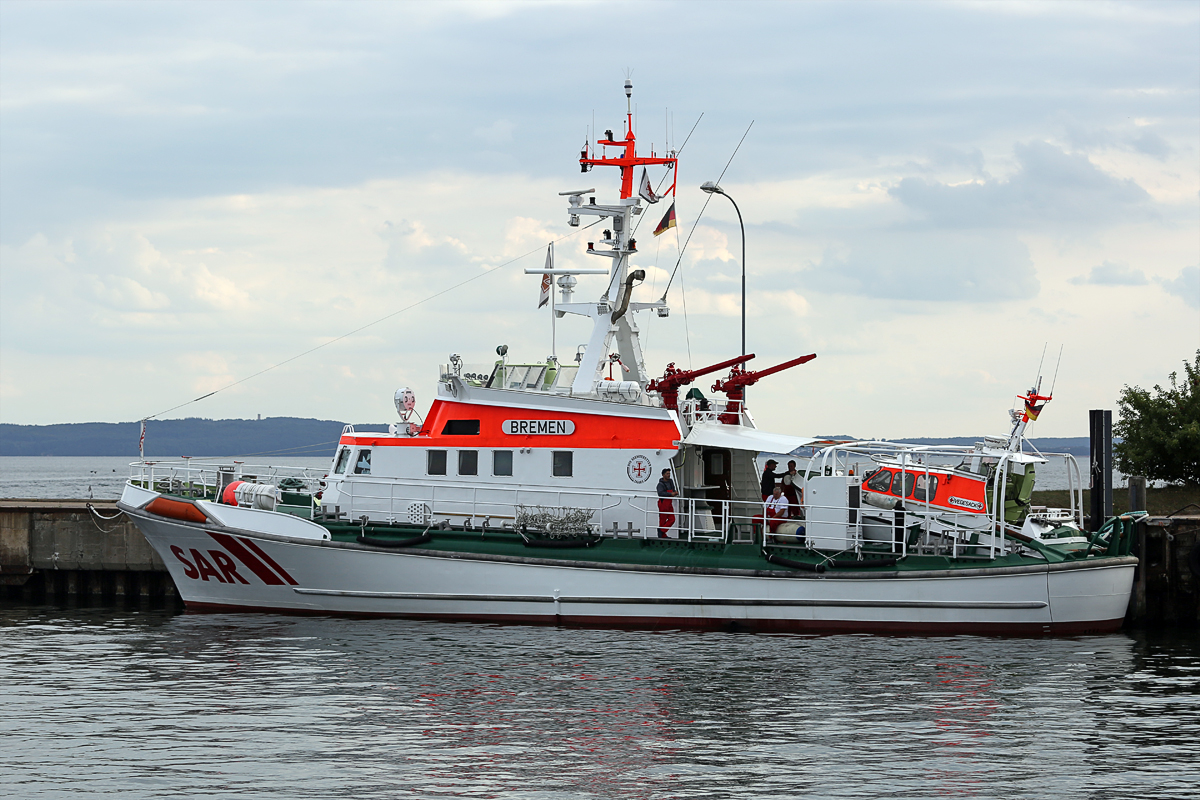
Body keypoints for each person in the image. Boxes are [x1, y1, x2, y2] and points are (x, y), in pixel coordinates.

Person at [656, 468, 678, 538]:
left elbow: (673, 489)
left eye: (669, 473)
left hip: (669, 503)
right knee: (662, 520)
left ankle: (661, 531)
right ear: (663, 475)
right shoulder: (660, 484)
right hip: (663, 503)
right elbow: (660, 493)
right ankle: (663, 534)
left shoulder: (670, 482)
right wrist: (671, 494)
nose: (669, 475)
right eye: (667, 474)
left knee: (672, 519)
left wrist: (675, 493)